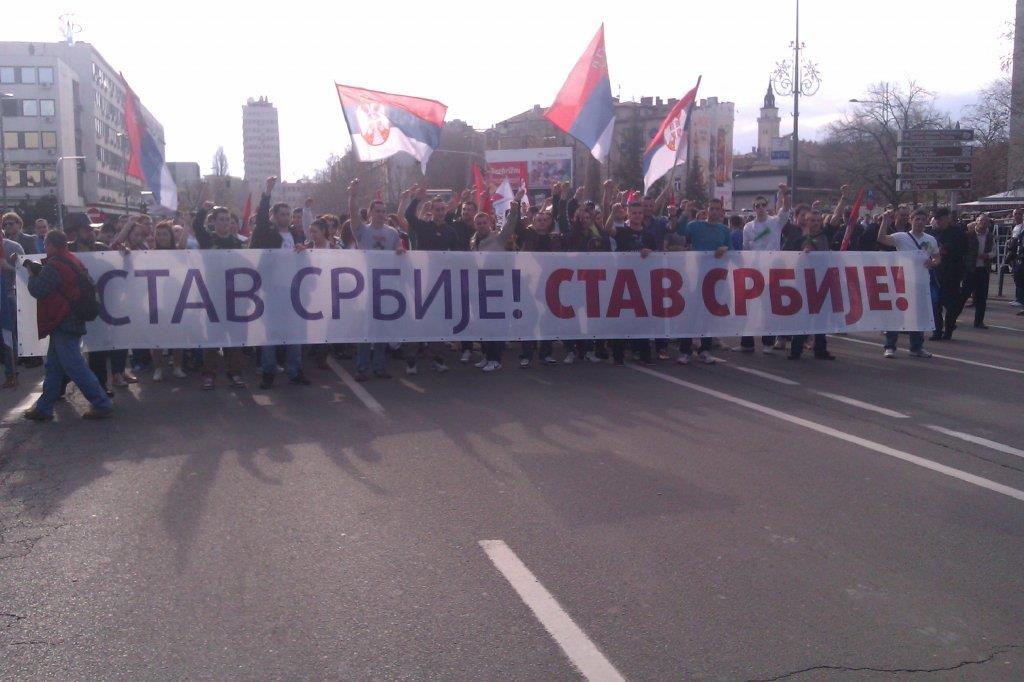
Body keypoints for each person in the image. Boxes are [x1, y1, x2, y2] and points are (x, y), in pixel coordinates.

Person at [22, 230, 113, 421]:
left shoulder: (54, 265)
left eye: (46, 244)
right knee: (54, 367)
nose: (44, 248)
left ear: (51, 245)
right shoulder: (71, 260)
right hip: (70, 318)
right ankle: (44, 407)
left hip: (62, 319)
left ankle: (101, 402)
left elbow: (38, 290)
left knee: (73, 365)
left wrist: (31, 275)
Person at [251, 176, 310, 389]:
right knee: (271, 334)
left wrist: (304, 250)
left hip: (294, 290)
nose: (286, 217)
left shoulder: (295, 235)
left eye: (288, 214)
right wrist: (267, 192)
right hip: (273, 292)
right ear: (274, 216)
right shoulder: (266, 234)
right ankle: (269, 372)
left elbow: (304, 259)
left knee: (295, 332)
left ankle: (295, 371)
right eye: (282, 214)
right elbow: (259, 220)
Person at [348, 178, 406, 381]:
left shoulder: (392, 233)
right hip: (366, 286)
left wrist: (399, 251)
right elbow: (353, 215)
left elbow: (399, 250)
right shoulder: (362, 231)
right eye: (377, 211)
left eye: (383, 211)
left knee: (381, 328)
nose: (381, 214)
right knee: (366, 329)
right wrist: (352, 196)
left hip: (386, 287)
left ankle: (380, 367)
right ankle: (362, 368)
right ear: (371, 213)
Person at [401, 184, 459, 375]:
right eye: (437, 209)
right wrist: (417, 199)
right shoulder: (424, 227)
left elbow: (458, 256)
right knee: (418, 321)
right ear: (432, 211)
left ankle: (438, 359)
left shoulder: (451, 232)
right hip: (421, 281)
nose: (441, 212)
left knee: (438, 323)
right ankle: (411, 362)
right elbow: (408, 216)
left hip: (441, 283)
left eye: (443, 209)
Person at [876, 207, 940, 358]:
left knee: (918, 316)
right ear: (911, 220)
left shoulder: (930, 239)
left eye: (923, 220)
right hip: (902, 282)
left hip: (921, 283)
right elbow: (881, 238)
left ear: (926, 222)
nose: (919, 222)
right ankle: (890, 346)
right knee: (896, 314)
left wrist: (934, 263)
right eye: (916, 219)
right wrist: (885, 221)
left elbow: (937, 257)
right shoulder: (901, 237)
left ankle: (916, 347)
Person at [469, 190, 519, 372]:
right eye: (478, 223)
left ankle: (495, 358)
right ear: (475, 224)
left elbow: (510, 225)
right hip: (479, 288)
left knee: (495, 325)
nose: (481, 225)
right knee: (481, 323)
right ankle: (486, 355)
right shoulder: (473, 240)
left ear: (490, 223)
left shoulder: (498, 238)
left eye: (484, 222)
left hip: (497, 288)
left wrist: (515, 207)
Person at [678, 197, 731, 364]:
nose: (714, 211)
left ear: (722, 211)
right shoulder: (695, 225)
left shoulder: (724, 230)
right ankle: (685, 351)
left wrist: (726, 248)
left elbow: (734, 251)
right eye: (711, 208)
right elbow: (679, 231)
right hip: (695, 277)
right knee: (690, 315)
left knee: (708, 315)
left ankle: (705, 349)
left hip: (714, 279)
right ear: (707, 210)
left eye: (717, 209)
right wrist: (686, 212)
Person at [740, 184, 791, 352]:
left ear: (767, 206)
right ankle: (746, 343)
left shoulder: (776, 222)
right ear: (753, 208)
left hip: (771, 270)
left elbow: (786, 208)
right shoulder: (748, 227)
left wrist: (785, 193)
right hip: (754, 270)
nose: (760, 208)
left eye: (763, 205)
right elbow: (745, 248)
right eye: (757, 205)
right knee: (748, 306)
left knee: (768, 307)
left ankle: (768, 342)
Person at [515, 203, 563, 367]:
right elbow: (516, 227)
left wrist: (559, 200)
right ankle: (526, 354)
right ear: (533, 222)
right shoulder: (527, 235)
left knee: (548, 318)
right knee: (529, 318)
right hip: (529, 282)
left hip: (549, 283)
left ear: (550, 222)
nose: (542, 222)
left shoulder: (556, 238)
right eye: (539, 220)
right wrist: (517, 204)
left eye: (545, 220)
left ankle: (546, 353)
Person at [788, 206, 838, 361]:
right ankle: (796, 350)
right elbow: (795, 257)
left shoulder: (825, 236)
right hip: (806, 283)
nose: (816, 223)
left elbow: (836, 217)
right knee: (804, 317)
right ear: (806, 222)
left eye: (818, 220)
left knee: (822, 318)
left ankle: (820, 349)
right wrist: (804, 253)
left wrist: (843, 198)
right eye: (812, 220)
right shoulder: (800, 240)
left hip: (824, 281)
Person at [148, 221, 187, 382]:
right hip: (155, 299)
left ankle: (177, 366)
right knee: (156, 336)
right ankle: (158, 368)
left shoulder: (178, 252)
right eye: (159, 234)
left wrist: (188, 226)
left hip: (175, 298)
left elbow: (183, 247)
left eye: (165, 234)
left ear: (171, 236)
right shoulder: (148, 254)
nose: (162, 237)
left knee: (177, 335)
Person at [928, 207, 966, 340]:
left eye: (941, 219)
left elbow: (961, 250)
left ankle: (949, 328)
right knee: (936, 304)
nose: (938, 222)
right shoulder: (934, 234)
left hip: (952, 273)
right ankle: (937, 331)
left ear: (947, 218)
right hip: (937, 273)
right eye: (937, 219)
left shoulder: (958, 232)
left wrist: (943, 249)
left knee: (951, 305)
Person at [955, 214, 997, 330]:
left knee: (982, 297)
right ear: (976, 222)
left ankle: (979, 322)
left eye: (986, 222)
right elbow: (962, 250)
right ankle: (952, 318)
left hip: (983, 269)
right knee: (964, 295)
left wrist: (987, 255)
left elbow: (994, 251)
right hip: (970, 269)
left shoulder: (990, 237)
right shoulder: (969, 236)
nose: (983, 224)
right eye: (981, 221)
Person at [1, 233, 26, 387]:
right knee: (7, 335)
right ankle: (11, 373)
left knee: (7, 335)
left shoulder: (11, 245)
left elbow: (4, 264)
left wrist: (17, 271)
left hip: (5, 293)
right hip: (5, 293)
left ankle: (12, 373)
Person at [1008, 208, 1024, 309]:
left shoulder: (1022, 227)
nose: (1016, 216)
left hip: (1020, 255)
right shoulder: (1016, 227)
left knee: (1019, 277)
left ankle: (1020, 299)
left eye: (1019, 214)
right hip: (1014, 254)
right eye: (1015, 214)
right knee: (1016, 276)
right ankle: (1018, 298)